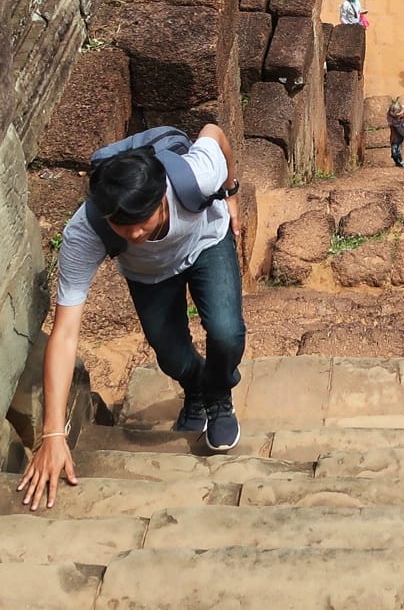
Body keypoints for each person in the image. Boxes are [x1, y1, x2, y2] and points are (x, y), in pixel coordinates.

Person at [20, 123, 246, 508]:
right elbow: (64, 332)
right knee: (170, 354)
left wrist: (231, 194)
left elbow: (215, 133)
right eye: (122, 227)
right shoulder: (85, 233)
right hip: (150, 275)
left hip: (207, 241)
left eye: (145, 220)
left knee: (227, 333)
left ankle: (219, 395)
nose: (136, 234)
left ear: (162, 196)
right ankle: (195, 390)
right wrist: (53, 434)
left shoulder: (195, 174)